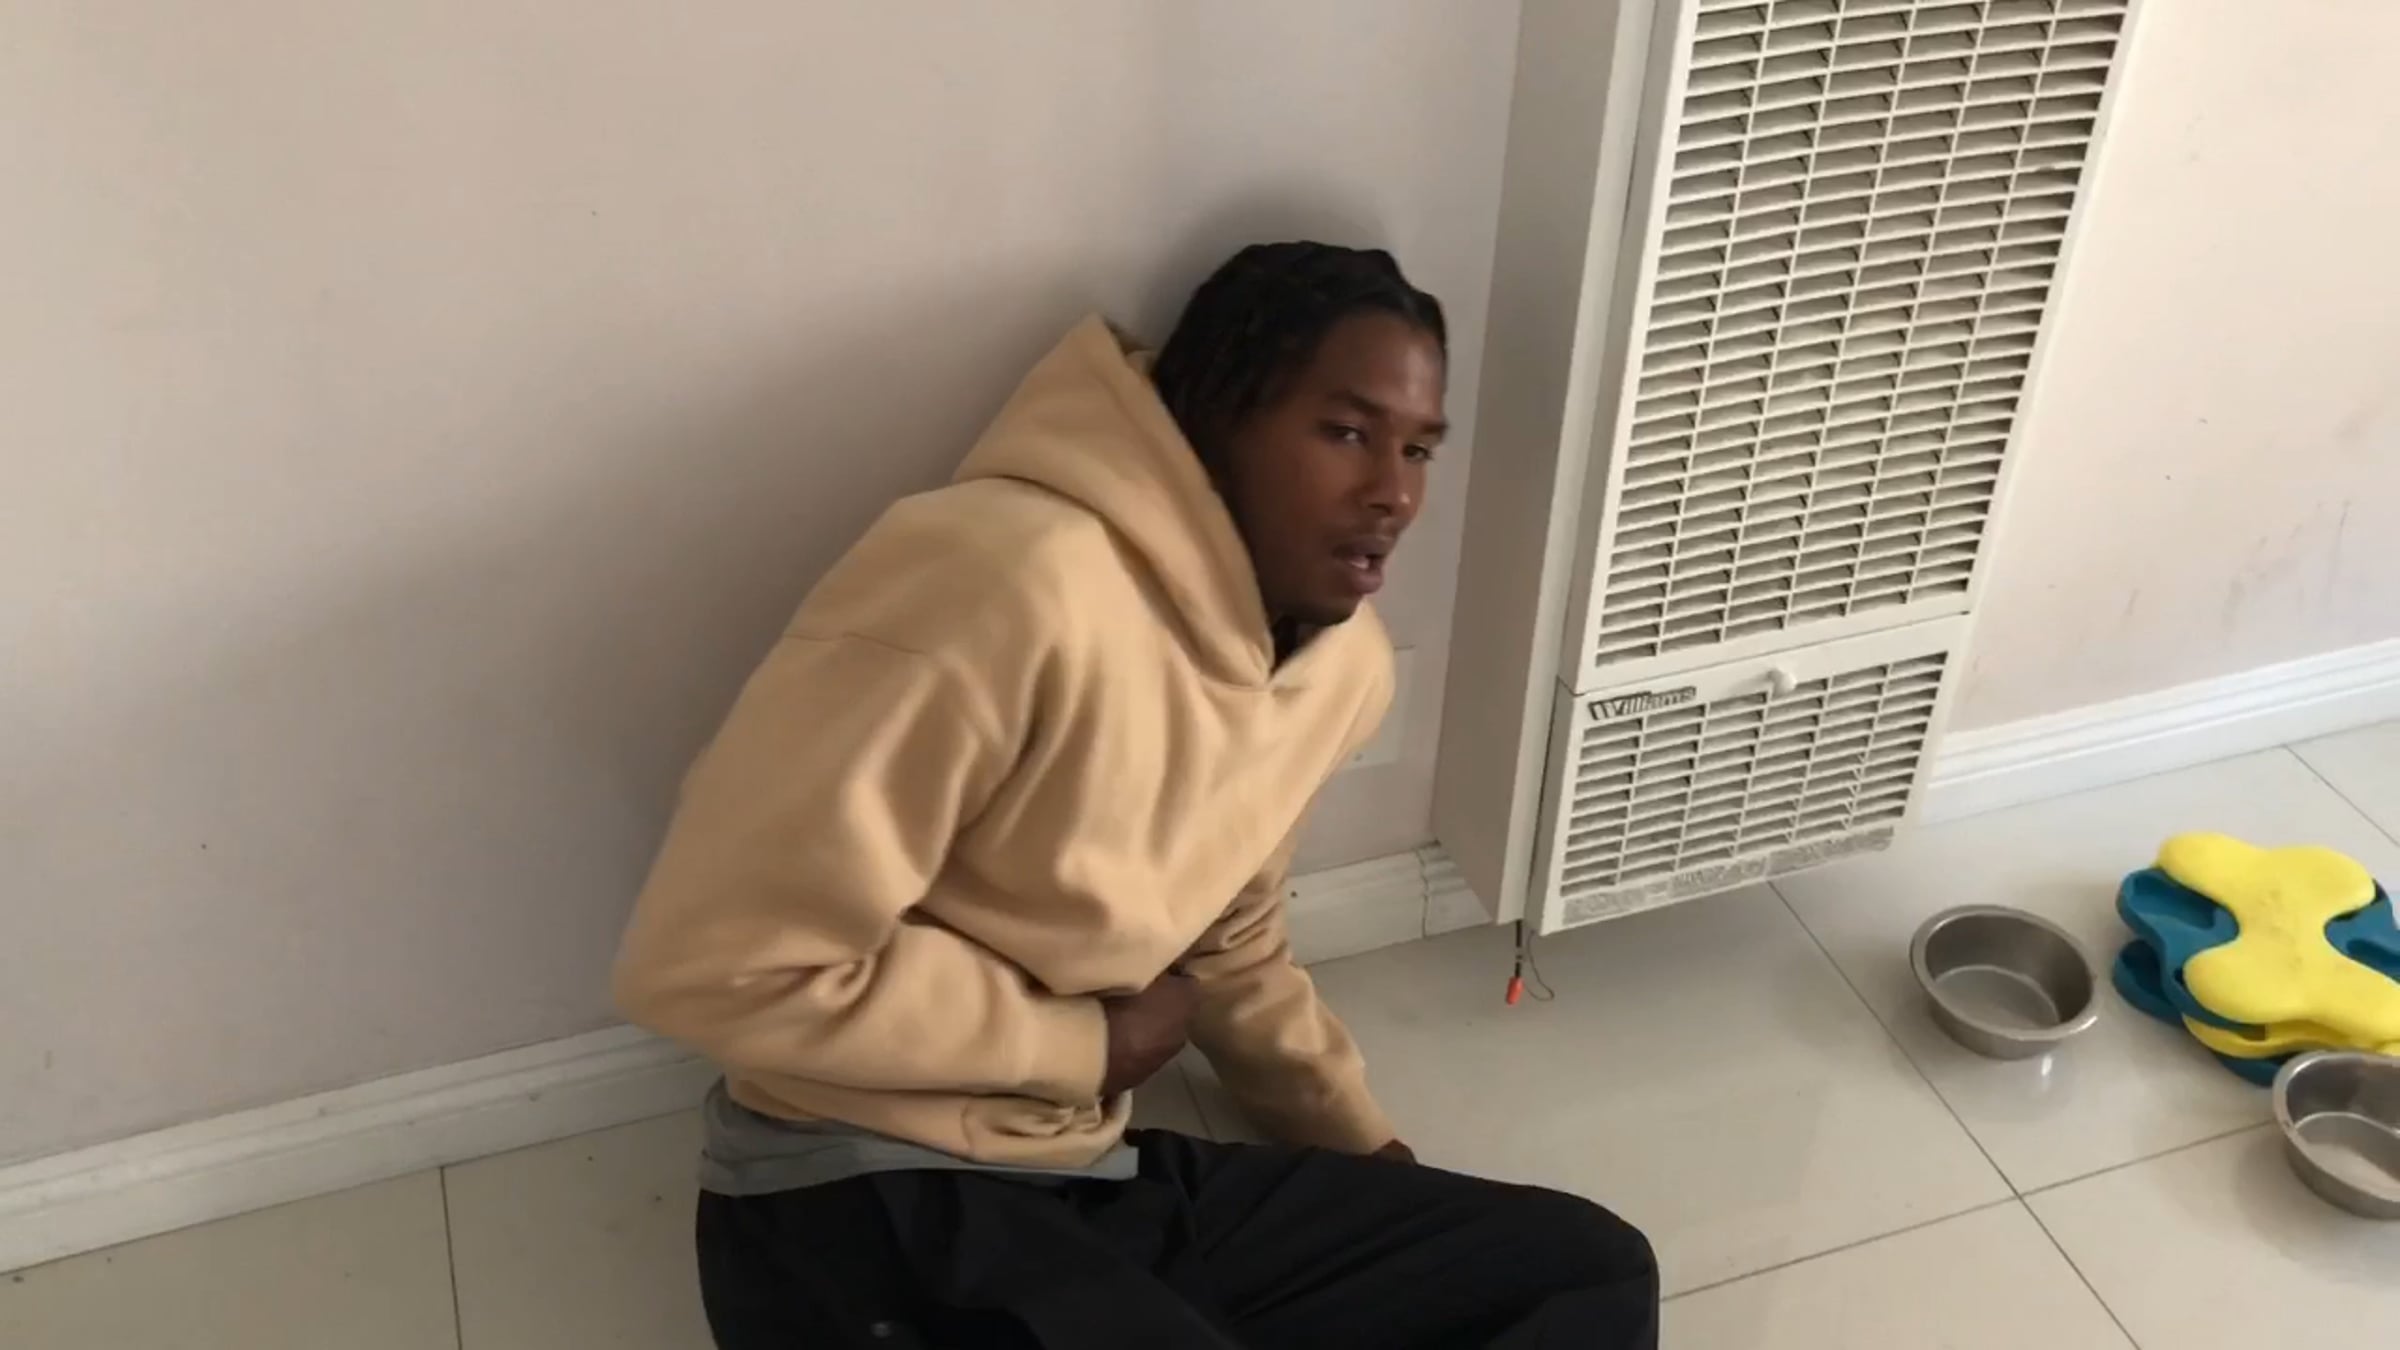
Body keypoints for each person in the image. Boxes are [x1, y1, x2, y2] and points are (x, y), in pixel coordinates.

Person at [612, 242, 1660, 1349]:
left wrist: (1368, 1160)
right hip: (853, 1187)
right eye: (1346, 433)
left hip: (1098, 1181)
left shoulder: (1341, 669)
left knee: (1580, 1271)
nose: (1394, 494)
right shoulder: (999, 577)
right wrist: (1082, 1050)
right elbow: (717, 966)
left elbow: (1229, 938)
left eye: (1418, 448)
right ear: (1215, 421)